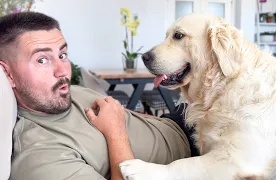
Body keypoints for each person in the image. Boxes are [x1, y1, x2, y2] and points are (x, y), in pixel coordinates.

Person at [0, 12, 197, 180]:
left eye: (62, 55)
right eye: (42, 59)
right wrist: (115, 130)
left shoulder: (65, 93)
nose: (63, 71)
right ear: (7, 74)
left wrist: (148, 121)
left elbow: (124, 114)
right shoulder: (41, 156)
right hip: (193, 153)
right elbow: (116, 120)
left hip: (181, 121)